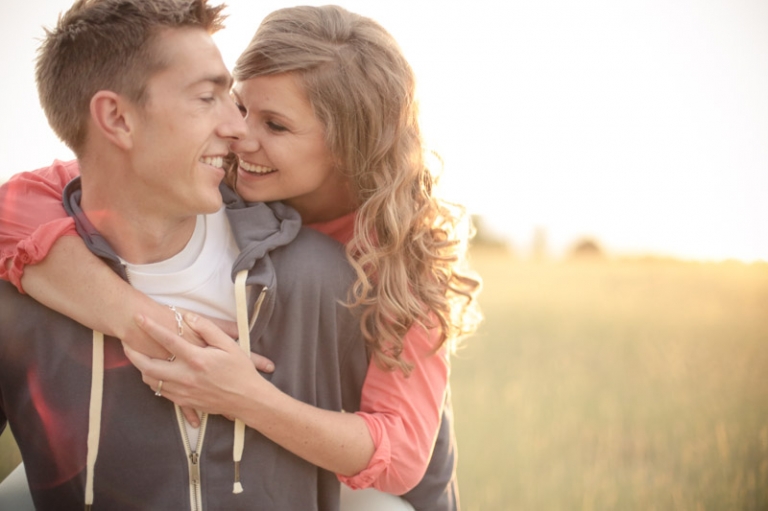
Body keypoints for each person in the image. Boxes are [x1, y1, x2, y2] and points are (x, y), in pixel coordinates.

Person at [0, 4, 482, 511]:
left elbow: (401, 454)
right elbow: (21, 205)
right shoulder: (219, 177)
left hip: (375, 471)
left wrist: (242, 395)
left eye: (274, 125)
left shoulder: (399, 258)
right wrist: (148, 323)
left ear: (348, 145)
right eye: (238, 104)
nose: (238, 133)